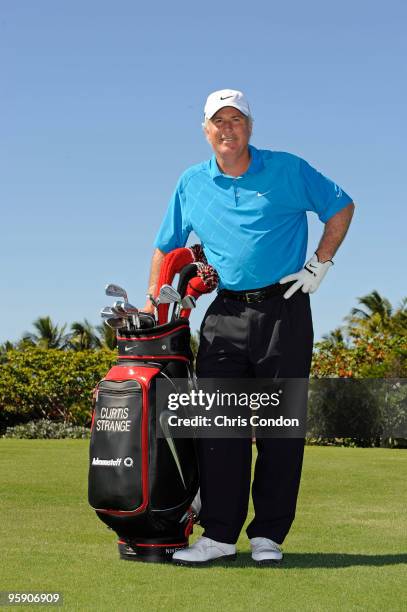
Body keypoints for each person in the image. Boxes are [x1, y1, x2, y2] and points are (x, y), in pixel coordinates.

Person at [142, 89, 355, 566]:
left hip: (285, 308)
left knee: (280, 429)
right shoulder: (191, 182)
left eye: (236, 120)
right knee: (220, 428)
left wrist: (320, 263)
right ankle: (218, 535)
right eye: (218, 121)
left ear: (250, 127)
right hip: (225, 313)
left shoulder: (287, 169)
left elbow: (341, 206)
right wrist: (154, 302)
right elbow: (165, 246)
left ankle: (268, 537)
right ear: (205, 130)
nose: (227, 128)